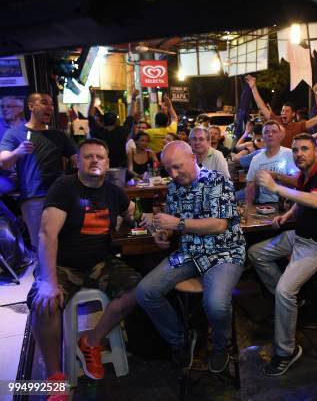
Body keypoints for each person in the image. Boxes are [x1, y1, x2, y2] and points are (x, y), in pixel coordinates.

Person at [27, 139, 140, 391]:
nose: (95, 160)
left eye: (100, 157)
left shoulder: (113, 190)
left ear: (108, 163)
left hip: (100, 262)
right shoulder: (64, 187)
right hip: (62, 264)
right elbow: (47, 234)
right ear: (77, 161)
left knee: (140, 290)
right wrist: (48, 282)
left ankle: (92, 341)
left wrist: (143, 220)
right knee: (44, 302)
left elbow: (133, 211)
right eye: (88, 156)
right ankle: (54, 378)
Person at [136, 141, 245, 372]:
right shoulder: (175, 187)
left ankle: (220, 347)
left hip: (223, 253)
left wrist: (178, 223)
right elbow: (173, 224)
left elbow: (219, 224)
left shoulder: (218, 181)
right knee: (145, 292)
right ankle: (182, 340)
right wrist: (162, 234)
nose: (173, 174)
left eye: (177, 167)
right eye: (169, 170)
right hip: (189, 253)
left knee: (215, 304)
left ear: (193, 158)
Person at [247, 133, 317, 376]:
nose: (299, 154)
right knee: (256, 253)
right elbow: (301, 202)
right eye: (296, 150)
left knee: (283, 290)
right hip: (298, 237)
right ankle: (293, 303)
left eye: (304, 149)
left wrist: (274, 186)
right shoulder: (306, 175)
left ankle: (286, 352)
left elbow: (312, 200)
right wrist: (287, 216)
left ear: (315, 152)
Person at [0, 93, 76, 250]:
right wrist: (18, 152)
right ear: (31, 106)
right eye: (44, 103)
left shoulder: (59, 135)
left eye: (52, 104)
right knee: (41, 245)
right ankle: (43, 274)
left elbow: (78, 160)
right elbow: (4, 162)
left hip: (60, 197)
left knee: (64, 243)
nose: (50, 107)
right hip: (33, 198)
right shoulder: (14, 134)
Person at [245, 75, 317, 148]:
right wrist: (253, 87)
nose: (283, 113)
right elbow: (261, 106)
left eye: (287, 111)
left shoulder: (299, 126)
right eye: (283, 111)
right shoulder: (276, 120)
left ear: (293, 114)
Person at [245, 120, 299, 209]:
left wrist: (275, 175)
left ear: (280, 135)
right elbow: (250, 185)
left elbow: (297, 182)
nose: (270, 134)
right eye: (266, 132)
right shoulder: (256, 159)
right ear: (263, 136)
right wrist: (249, 208)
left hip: (287, 204)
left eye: (274, 132)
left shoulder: (290, 154)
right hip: (264, 205)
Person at [88, 87, 134, 169]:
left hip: (101, 166)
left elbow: (90, 116)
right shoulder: (122, 131)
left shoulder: (98, 132)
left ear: (103, 122)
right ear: (116, 122)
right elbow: (130, 117)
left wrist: (92, 98)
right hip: (120, 167)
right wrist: (133, 98)